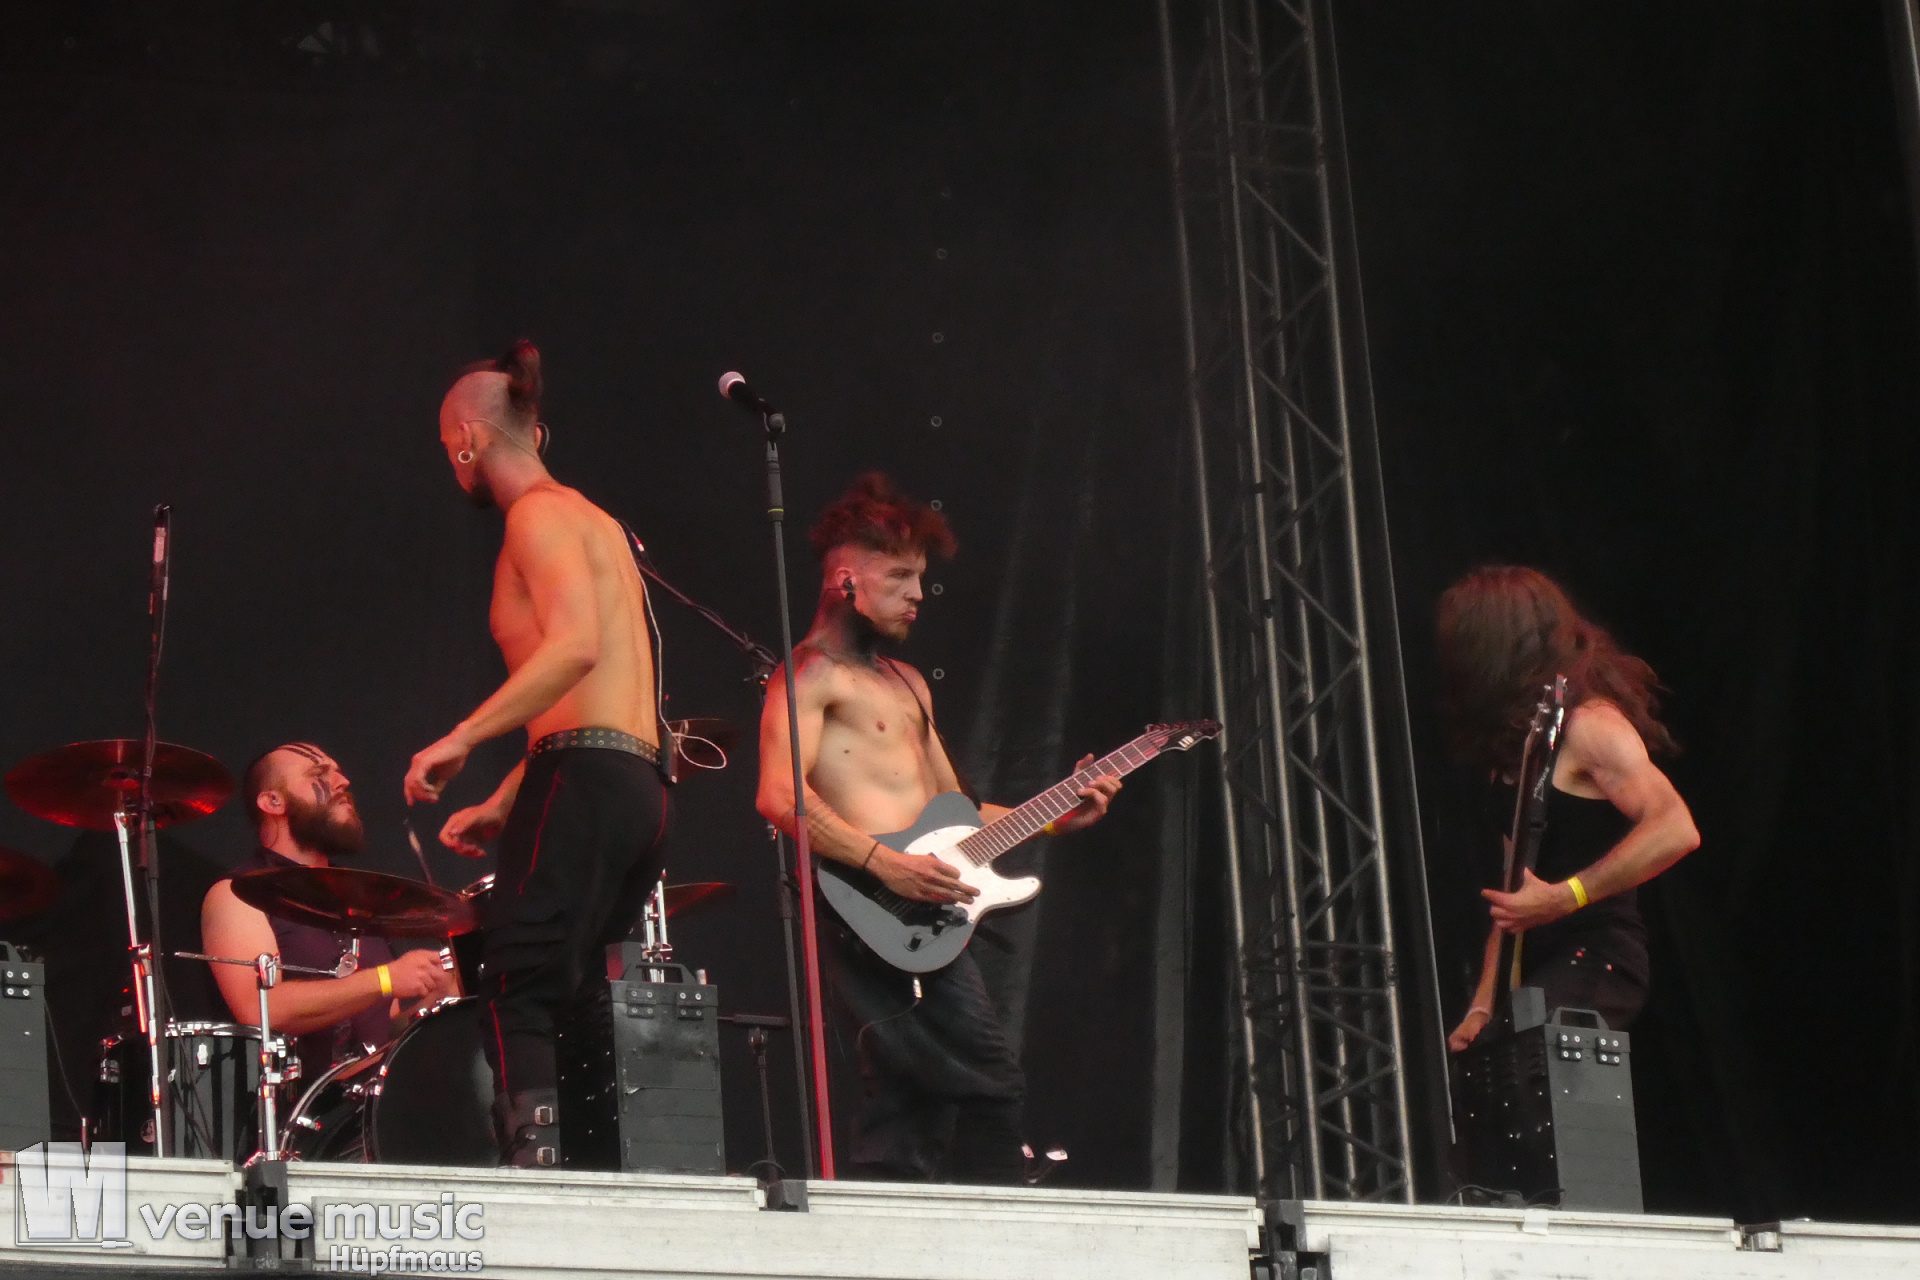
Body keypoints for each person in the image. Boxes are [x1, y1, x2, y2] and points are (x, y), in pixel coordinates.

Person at [755, 472, 1123, 1183]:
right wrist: (884, 864)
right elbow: (778, 796)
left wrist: (1057, 818)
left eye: (920, 578)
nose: (918, 594)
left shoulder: (908, 682)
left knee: (905, 1107)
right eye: (900, 577)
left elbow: (960, 814)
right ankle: (1006, 1207)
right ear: (846, 582)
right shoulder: (808, 674)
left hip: (926, 910)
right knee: (990, 1077)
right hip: (868, 909)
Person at [403, 340, 671, 1167]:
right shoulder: (598, 522)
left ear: (466, 441)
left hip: (587, 779)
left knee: (515, 982)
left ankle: (539, 1178)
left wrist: (463, 736)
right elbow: (597, 704)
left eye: (447, 447)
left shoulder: (536, 516)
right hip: (638, 783)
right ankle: (595, 1169)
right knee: (577, 991)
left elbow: (575, 649)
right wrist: (503, 799)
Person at [1436, 566, 1701, 1052]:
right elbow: (1513, 896)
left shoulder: (1591, 725)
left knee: (1532, 1059)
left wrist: (1568, 895)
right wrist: (1482, 1006)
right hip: (1538, 964)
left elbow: (1676, 827)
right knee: (1489, 1066)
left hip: (1596, 954)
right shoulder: (1514, 754)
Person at [200, 743, 451, 1078]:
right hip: (296, 1105)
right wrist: (385, 978)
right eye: (319, 774)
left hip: (370, 1102)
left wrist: (439, 1000)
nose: (342, 781)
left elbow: (383, 1033)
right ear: (273, 801)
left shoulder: (359, 900)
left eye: (338, 772)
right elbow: (258, 1009)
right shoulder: (238, 893)